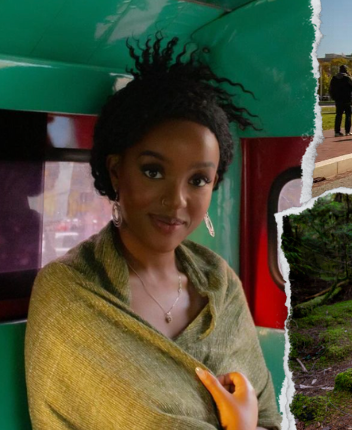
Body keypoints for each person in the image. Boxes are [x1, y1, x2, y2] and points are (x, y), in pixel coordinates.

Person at [24, 35, 281, 430]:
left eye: (198, 179)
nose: (177, 200)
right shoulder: (69, 293)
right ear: (115, 172)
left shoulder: (220, 284)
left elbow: (269, 417)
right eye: (153, 171)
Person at [329, 65, 352, 136]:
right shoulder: (348, 78)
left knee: (338, 115)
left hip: (338, 99)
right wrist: (350, 76)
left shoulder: (334, 78)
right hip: (347, 99)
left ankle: (337, 132)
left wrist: (333, 97)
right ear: (346, 70)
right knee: (348, 115)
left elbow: (330, 89)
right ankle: (347, 131)